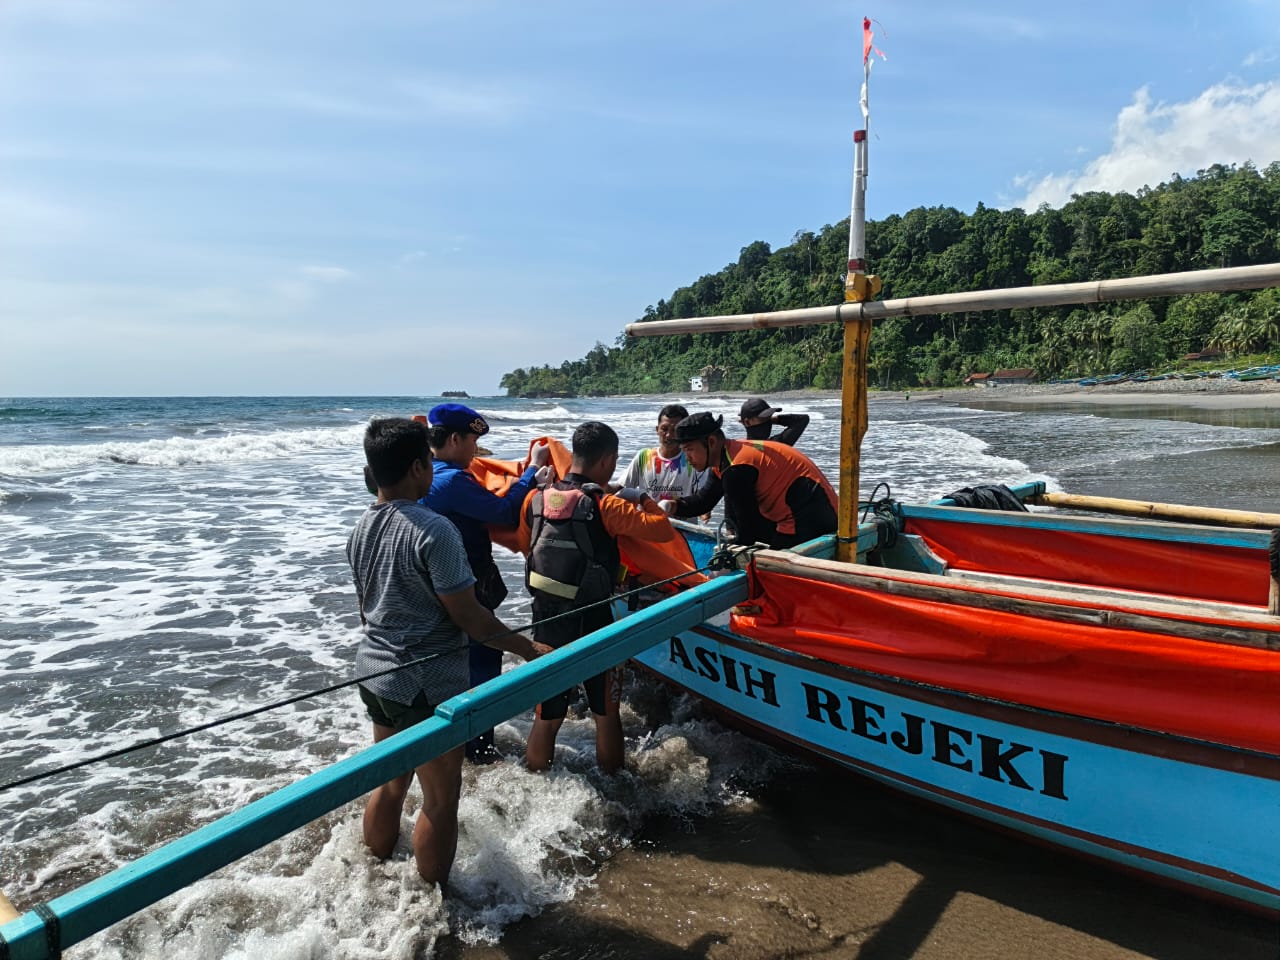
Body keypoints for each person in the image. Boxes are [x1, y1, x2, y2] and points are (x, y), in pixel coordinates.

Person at [348, 417, 549, 885]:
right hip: (425, 685)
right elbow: (473, 619)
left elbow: (366, 610)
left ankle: (370, 879)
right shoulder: (435, 530)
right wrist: (529, 649)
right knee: (440, 799)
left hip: (376, 677)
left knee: (391, 780)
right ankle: (435, 903)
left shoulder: (361, 526)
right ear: (419, 466)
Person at [518, 421, 675, 774]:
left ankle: (538, 781)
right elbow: (663, 529)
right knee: (605, 713)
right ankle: (615, 787)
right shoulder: (605, 505)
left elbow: (523, 543)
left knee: (547, 714)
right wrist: (638, 496)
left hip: (545, 619)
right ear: (607, 460)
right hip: (594, 620)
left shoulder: (536, 499)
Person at [424, 402, 552, 765]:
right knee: (482, 669)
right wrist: (531, 474)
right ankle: (479, 752)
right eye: (471, 442)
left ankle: (451, 748)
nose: (475, 451)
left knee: (452, 670)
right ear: (453, 439)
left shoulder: (424, 476)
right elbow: (503, 511)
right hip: (469, 589)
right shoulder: (452, 481)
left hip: (436, 592)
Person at [666, 412, 837, 549]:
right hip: (818, 511)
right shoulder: (728, 457)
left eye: (689, 449)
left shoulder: (736, 467)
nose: (687, 457)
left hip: (810, 515)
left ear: (711, 442)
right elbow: (703, 502)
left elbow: (747, 529)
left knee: (767, 570)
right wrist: (673, 506)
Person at [619, 403, 702, 504]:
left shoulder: (693, 460)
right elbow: (622, 490)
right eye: (664, 429)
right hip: (648, 519)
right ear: (657, 430)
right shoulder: (643, 457)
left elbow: (703, 498)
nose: (669, 435)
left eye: (675, 430)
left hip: (681, 520)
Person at [738, 397, 810, 446]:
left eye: (769, 418)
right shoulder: (740, 449)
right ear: (747, 422)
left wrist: (772, 419)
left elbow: (803, 419)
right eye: (762, 418)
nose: (767, 422)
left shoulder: (778, 444)